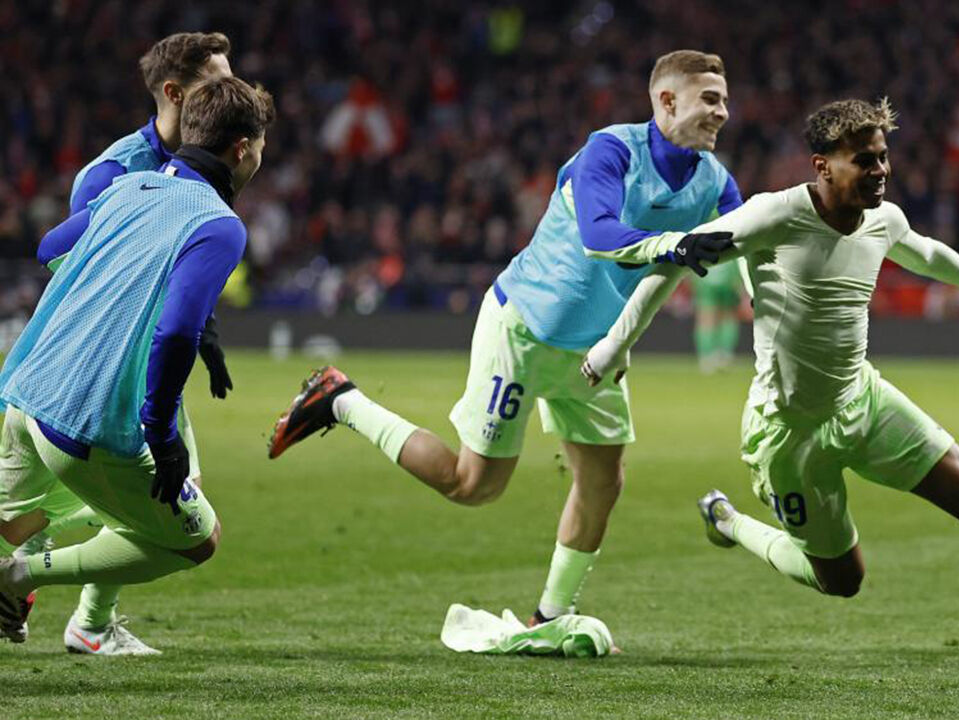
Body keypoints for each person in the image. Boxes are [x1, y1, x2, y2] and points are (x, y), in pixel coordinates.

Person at [581, 98, 959, 665]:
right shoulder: (773, 216)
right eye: (864, 160)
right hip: (789, 433)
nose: (880, 170)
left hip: (863, 400)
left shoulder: (885, 219)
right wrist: (614, 346)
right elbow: (676, 260)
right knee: (841, 580)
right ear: (823, 166)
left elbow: (926, 254)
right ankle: (728, 521)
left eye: (882, 157)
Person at [268, 50, 738, 629]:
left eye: (724, 99)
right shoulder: (612, 151)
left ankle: (551, 616)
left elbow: (751, 238)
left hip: (596, 352)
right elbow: (598, 235)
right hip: (523, 331)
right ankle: (341, 399)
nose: (723, 112)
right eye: (709, 99)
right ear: (666, 101)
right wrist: (675, 245)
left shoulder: (714, 180)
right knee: (472, 486)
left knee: (603, 482)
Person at [0, 76, 274, 654]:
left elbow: (51, 247)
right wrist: (162, 437)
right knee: (195, 540)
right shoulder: (219, 225)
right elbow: (175, 333)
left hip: (27, 395)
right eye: (261, 146)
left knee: (16, 522)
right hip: (86, 424)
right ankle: (19, 578)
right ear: (242, 148)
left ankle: (75, 610)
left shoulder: (131, 187)